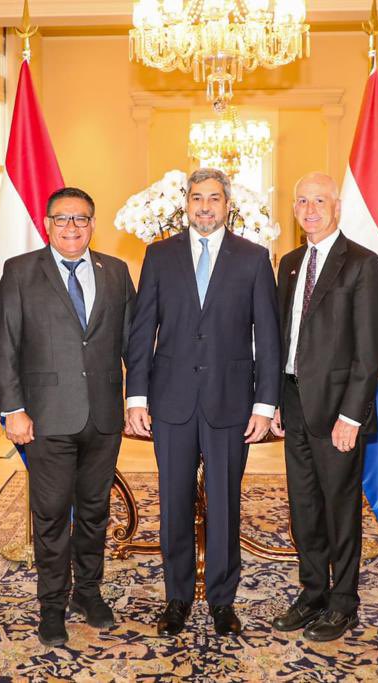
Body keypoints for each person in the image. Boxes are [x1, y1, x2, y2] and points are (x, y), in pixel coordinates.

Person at [126, 168, 281, 637]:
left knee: (225, 504)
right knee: (172, 502)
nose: (205, 207)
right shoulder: (158, 255)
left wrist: (264, 405)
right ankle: (176, 599)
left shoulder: (254, 259)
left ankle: (221, 600)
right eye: (197, 199)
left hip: (230, 404)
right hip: (169, 401)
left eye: (214, 198)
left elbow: (268, 338)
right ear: (185, 204)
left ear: (227, 204)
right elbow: (142, 331)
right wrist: (136, 395)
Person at [0, 187, 135, 648]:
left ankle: (88, 594)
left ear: (93, 224)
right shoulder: (19, 272)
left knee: (95, 512)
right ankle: (52, 606)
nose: (71, 227)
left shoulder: (114, 272)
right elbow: (4, 347)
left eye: (81, 219)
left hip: (103, 417)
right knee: (51, 516)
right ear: (47, 223)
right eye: (62, 219)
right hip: (46, 418)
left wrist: (140, 400)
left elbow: (131, 343)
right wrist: (13, 410)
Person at [269, 172, 378, 641]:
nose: (310, 208)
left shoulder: (363, 264)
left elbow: (369, 348)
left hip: (339, 409)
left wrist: (352, 416)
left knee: (340, 508)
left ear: (336, 206)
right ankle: (312, 591)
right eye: (302, 201)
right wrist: (277, 399)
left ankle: (344, 602)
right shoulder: (291, 263)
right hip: (295, 401)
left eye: (319, 200)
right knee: (303, 506)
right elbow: (283, 337)